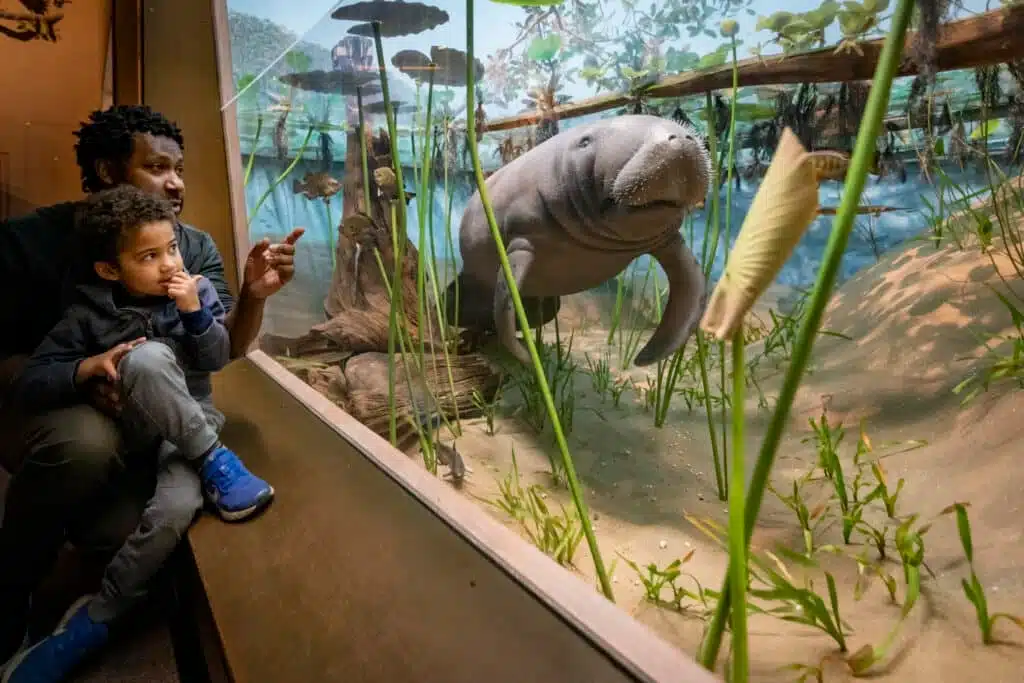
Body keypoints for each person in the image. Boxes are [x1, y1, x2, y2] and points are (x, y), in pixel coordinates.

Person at [0, 105, 304, 673]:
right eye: (158, 166)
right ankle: (13, 583)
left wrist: (252, 295)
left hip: (168, 421)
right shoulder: (29, 247)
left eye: (180, 168)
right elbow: (28, 367)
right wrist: (85, 372)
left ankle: (97, 611)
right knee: (87, 445)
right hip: (53, 397)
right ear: (108, 171)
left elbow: (220, 351)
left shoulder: (191, 249)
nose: (177, 182)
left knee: (144, 525)